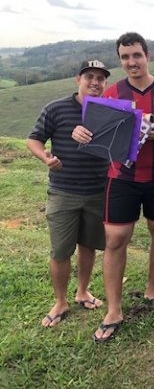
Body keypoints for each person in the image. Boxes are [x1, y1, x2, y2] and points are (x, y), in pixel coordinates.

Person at [77, 33, 154, 342]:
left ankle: (151, 288)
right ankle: (113, 309)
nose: (131, 62)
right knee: (115, 240)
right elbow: (96, 134)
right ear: (120, 60)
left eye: (136, 55)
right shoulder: (111, 93)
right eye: (125, 57)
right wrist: (81, 133)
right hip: (121, 177)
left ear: (147, 55)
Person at [27, 60, 111, 327]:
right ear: (78, 79)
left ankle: (82, 291)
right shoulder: (56, 109)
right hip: (64, 190)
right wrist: (45, 158)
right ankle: (60, 301)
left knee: (89, 245)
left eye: (100, 78)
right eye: (90, 77)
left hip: (98, 190)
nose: (95, 82)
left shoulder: (109, 111)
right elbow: (34, 138)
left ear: (105, 83)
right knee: (61, 250)